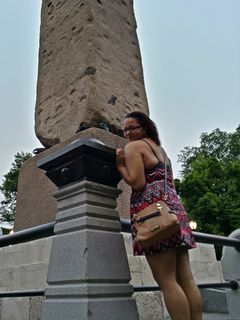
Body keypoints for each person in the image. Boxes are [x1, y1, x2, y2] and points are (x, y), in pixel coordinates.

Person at [116, 111, 202, 320]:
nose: (127, 133)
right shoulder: (162, 151)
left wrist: (120, 165)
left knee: (167, 281)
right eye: (125, 129)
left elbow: (138, 183)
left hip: (152, 216)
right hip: (174, 212)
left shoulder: (134, 147)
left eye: (132, 128)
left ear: (144, 127)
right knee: (186, 279)